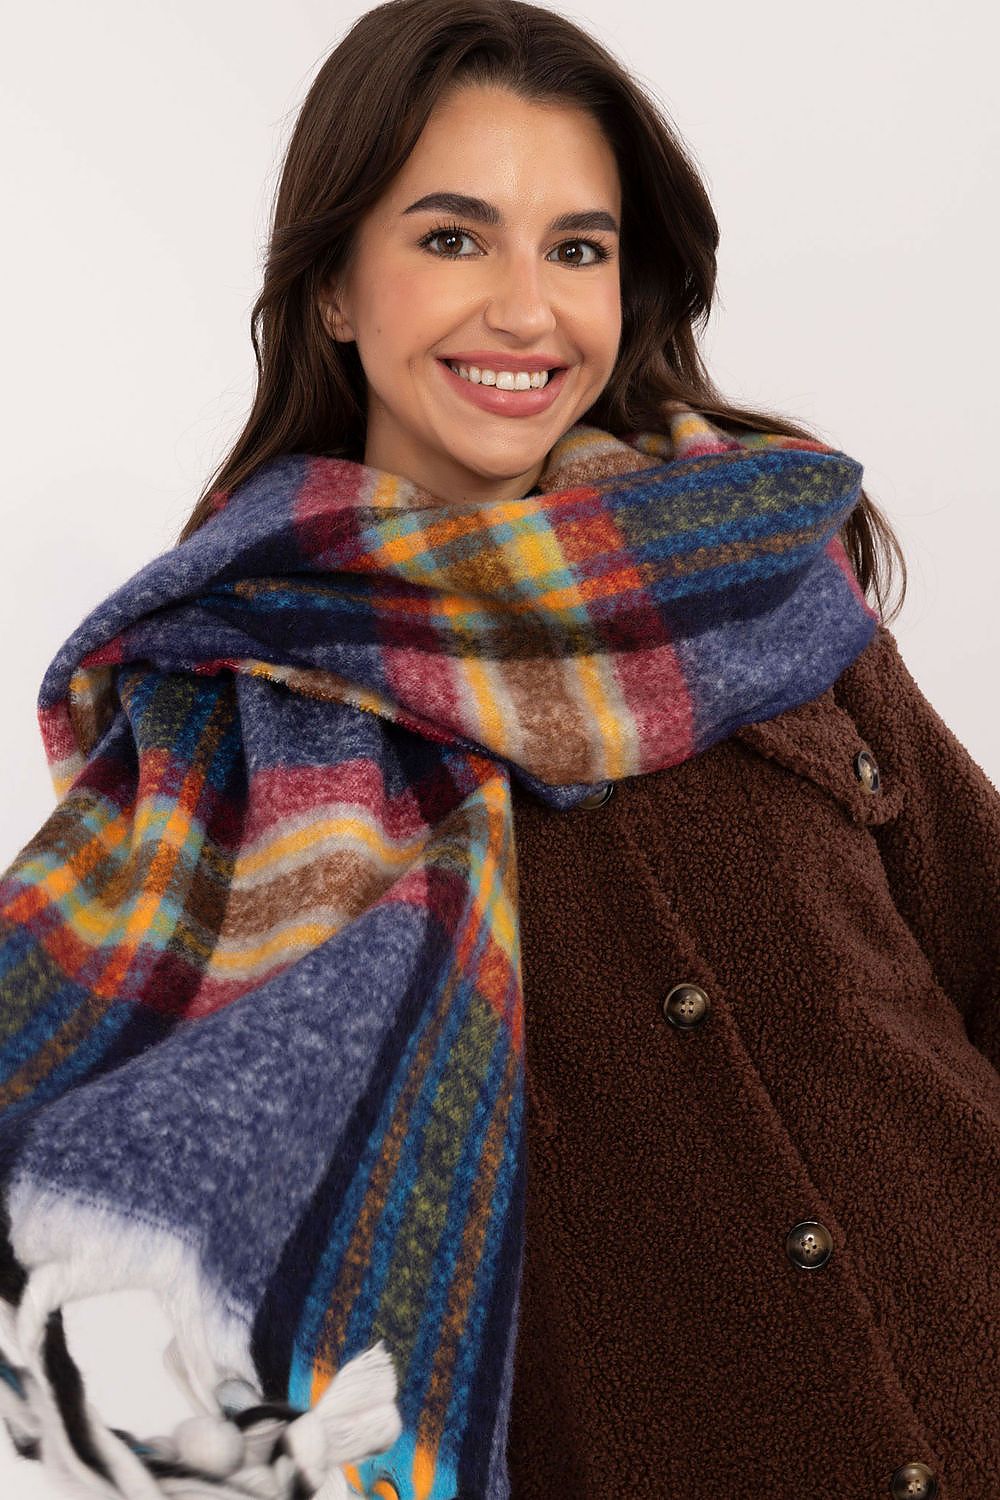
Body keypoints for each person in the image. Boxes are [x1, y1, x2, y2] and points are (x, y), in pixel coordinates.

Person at [0, 2, 996, 1498]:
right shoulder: (229, 704)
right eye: (455, 238)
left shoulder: (757, 575)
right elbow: (115, 1182)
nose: (528, 311)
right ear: (334, 288)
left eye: (577, 248)